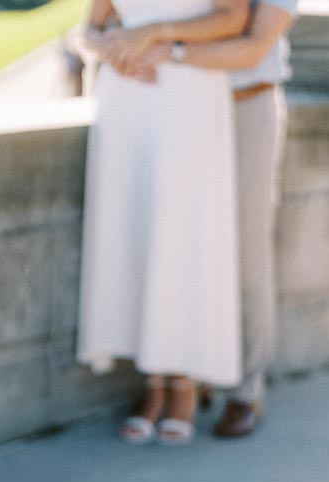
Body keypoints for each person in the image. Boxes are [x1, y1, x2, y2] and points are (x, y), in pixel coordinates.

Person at [99, 0, 298, 437]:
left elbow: (250, 47)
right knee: (179, 244)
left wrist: (166, 49)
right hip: (179, 108)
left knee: (246, 255)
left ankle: (246, 390)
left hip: (244, 107)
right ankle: (184, 372)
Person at [78, 0, 250, 445]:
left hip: (188, 93)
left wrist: (154, 33)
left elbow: (234, 17)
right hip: (127, 97)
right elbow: (88, 31)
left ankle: (185, 388)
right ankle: (153, 387)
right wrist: (115, 52)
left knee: (185, 234)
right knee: (135, 231)